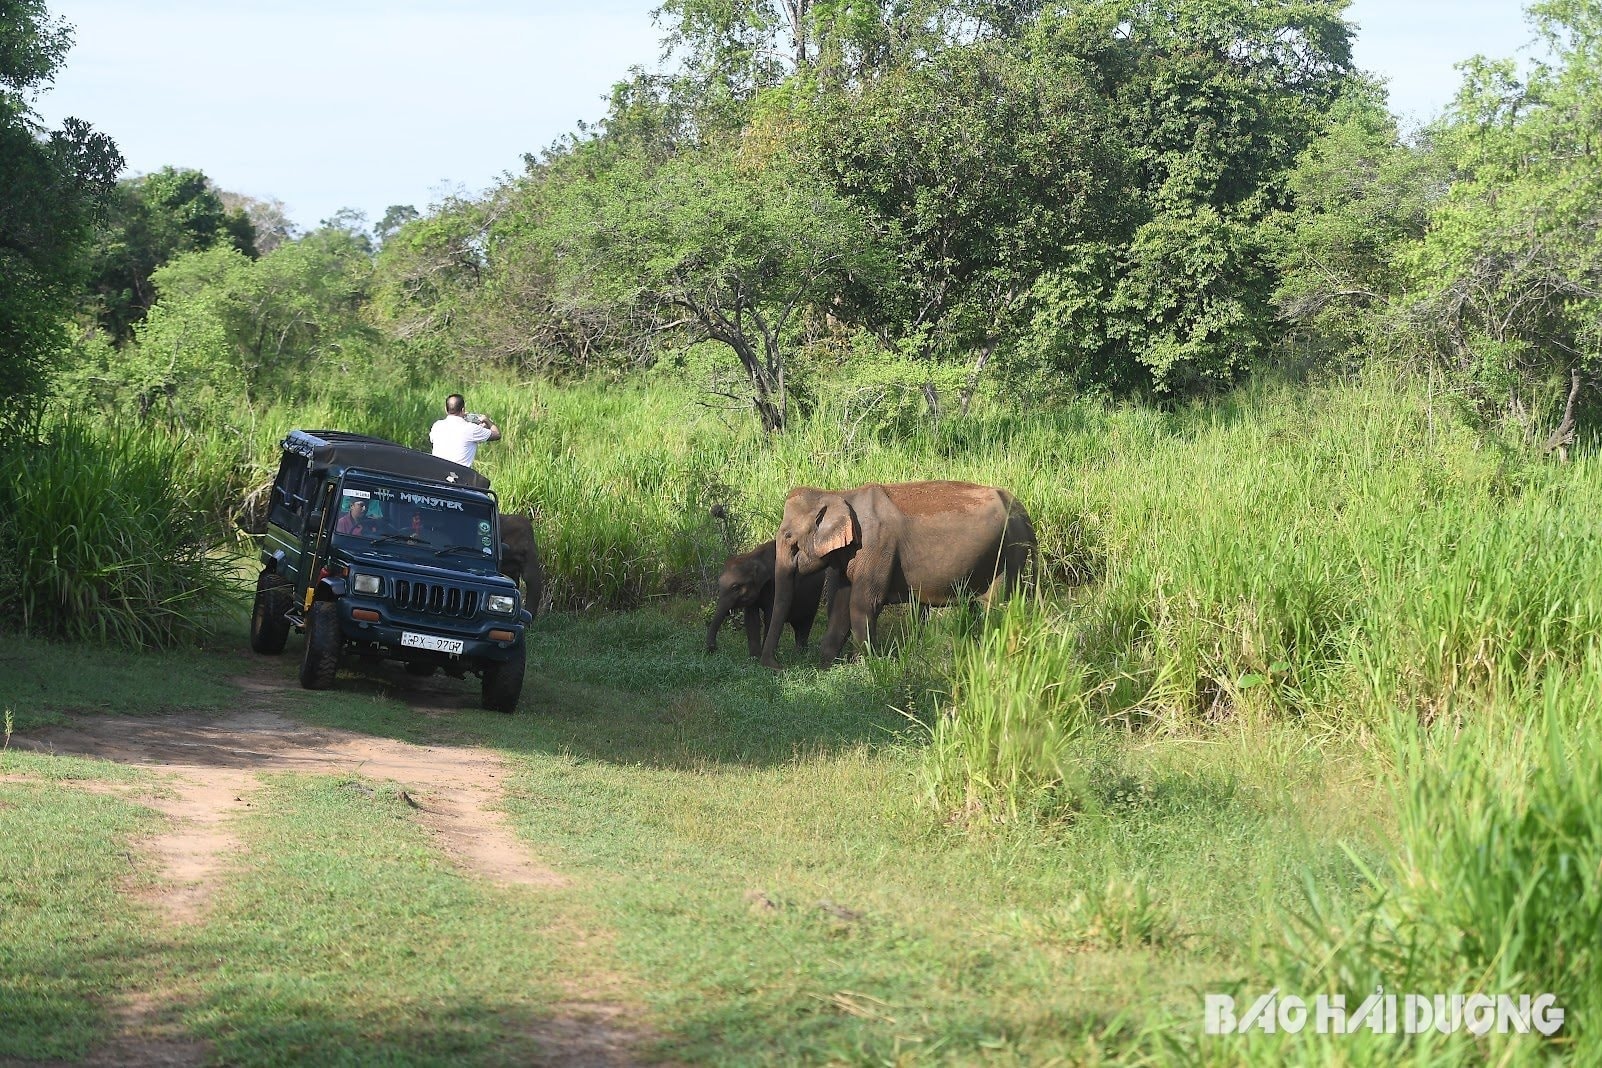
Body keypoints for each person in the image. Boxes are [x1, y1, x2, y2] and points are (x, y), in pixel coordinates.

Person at [429, 393, 500, 467]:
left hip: (436, 472)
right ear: (463, 409)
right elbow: (497, 434)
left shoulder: (437, 425)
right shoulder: (471, 428)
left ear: (446, 409)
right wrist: (487, 421)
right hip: (460, 475)